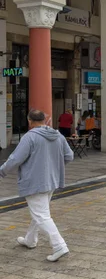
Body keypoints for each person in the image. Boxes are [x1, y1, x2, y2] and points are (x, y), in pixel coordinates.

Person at [0, 109, 74, 262]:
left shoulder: (30, 137)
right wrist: (55, 166)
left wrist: (2, 171)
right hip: (51, 180)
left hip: (34, 182)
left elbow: (15, 159)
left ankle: (59, 245)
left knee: (41, 215)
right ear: (45, 120)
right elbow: (69, 156)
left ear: (29, 121)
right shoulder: (58, 135)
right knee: (40, 212)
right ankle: (30, 240)